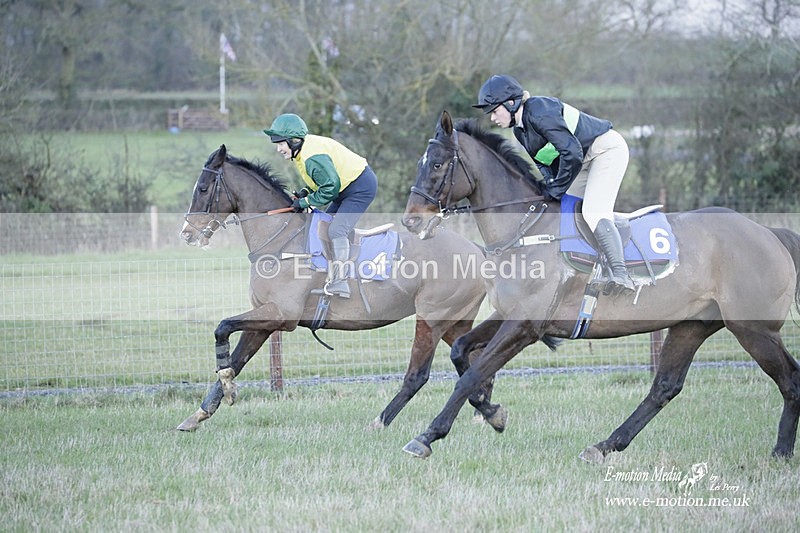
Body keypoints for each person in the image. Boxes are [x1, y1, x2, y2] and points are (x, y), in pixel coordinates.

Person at [473, 74, 635, 293]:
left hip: (606, 150)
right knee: (562, 209)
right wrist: (548, 187)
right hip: (583, 160)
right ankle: (583, 268)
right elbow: (545, 163)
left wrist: (556, 188)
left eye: (494, 110)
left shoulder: (539, 111)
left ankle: (620, 274)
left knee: (593, 212)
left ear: (511, 103)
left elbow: (572, 153)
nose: (492, 118)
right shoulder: (520, 131)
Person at [263, 113, 378, 298]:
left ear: (293, 141)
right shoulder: (302, 152)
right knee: (322, 227)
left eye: (280, 143)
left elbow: (331, 188)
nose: (278, 149)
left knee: (336, 231)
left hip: (360, 187)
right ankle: (329, 275)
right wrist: (305, 193)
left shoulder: (311, 157)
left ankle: (341, 283)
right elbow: (321, 180)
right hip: (345, 186)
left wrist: (305, 202)